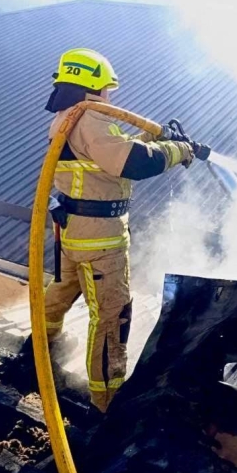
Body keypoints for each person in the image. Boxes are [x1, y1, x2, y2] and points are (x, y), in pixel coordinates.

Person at [42, 47, 209, 412]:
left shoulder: (68, 117)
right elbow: (134, 163)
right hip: (100, 240)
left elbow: (109, 157)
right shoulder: (90, 119)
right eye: (107, 89)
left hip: (75, 233)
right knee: (111, 316)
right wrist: (179, 150)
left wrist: (154, 139)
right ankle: (107, 401)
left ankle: (40, 346)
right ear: (94, 86)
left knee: (61, 291)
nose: (109, 96)